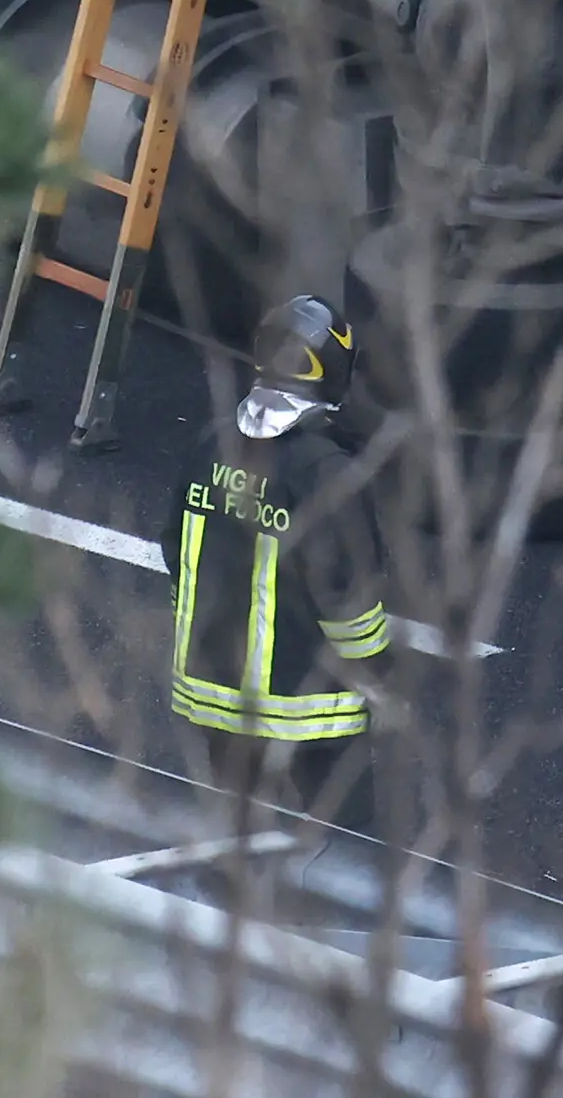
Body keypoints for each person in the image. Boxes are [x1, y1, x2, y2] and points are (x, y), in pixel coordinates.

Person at [171, 293, 393, 809]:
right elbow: (348, 597)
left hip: (209, 697)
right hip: (309, 709)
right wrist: (380, 678)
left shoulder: (210, 446)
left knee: (233, 838)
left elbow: (173, 552)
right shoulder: (324, 472)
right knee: (343, 857)